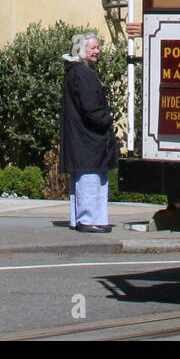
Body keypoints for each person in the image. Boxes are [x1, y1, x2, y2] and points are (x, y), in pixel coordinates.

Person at [59, 32, 119, 234]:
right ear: (80, 50)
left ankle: (86, 218)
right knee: (89, 178)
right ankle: (88, 219)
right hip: (87, 138)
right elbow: (90, 107)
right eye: (92, 47)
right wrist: (106, 120)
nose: (97, 51)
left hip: (83, 137)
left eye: (98, 47)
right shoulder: (82, 74)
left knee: (87, 178)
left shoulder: (77, 72)